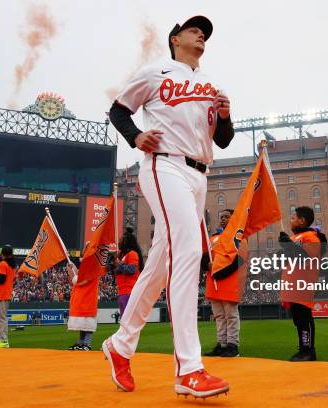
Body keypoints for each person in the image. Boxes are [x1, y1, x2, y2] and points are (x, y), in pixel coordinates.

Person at [103, 15, 234, 398]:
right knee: (189, 249)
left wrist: (224, 116)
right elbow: (118, 110)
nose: (201, 36)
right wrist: (136, 135)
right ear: (175, 38)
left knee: (159, 266)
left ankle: (121, 344)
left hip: (199, 173)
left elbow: (223, 140)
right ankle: (189, 369)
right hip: (165, 165)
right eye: (195, 30)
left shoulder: (212, 86)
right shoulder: (156, 71)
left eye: (205, 33)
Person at [278, 206, 327, 362]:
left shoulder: (310, 237)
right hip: (293, 284)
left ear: (302, 220)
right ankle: (303, 348)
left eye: (293, 218)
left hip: (303, 282)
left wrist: (288, 245)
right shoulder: (296, 237)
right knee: (298, 319)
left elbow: (306, 258)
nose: (290, 221)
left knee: (304, 317)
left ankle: (308, 350)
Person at [203, 209, 248, 358]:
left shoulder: (238, 237)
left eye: (226, 217)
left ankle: (233, 346)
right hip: (214, 282)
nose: (223, 219)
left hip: (228, 281)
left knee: (231, 316)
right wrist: (207, 266)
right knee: (219, 316)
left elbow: (240, 259)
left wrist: (218, 271)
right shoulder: (214, 238)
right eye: (221, 217)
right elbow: (204, 256)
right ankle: (222, 345)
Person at [67, 258, 100, 351]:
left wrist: (73, 273)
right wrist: (72, 268)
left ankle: (87, 343)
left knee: (88, 323)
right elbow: (78, 277)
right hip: (82, 299)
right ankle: (81, 343)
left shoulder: (93, 269)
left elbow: (80, 280)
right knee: (83, 323)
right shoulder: (87, 269)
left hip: (88, 299)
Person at [114, 228, 144, 316]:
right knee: (125, 320)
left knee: (128, 320)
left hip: (129, 291)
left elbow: (131, 270)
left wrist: (119, 265)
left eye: (120, 240)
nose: (118, 242)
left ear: (125, 242)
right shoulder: (124, 256)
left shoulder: (132, 254)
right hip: (123, 291)